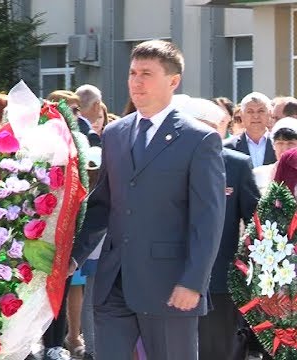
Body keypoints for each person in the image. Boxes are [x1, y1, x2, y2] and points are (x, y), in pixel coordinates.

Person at [70, 40, 226, 360]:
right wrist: (73, 257)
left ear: (172, 81)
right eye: (132, 73)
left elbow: (208, 219)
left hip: (170, 286)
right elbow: (103, 206)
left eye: (146, 74)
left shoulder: (200, 139)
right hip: (114, 281)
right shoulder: (115, 133)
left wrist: (194, 282)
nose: (136, 81)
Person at [177, 97, 260, 360]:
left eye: (213, 128)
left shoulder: (236, 165)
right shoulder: (164, 163)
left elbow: (257, 224)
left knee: (218, 352)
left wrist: (248, 269)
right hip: (168, 278)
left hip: (219, 284)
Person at [224, 92, 276, 168]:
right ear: (241, 115)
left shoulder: (280, 145)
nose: (255, 116)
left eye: (261, 111)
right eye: (250, 112)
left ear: (270, 113)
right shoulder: (227, 147)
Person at [252, 117, 297, 193]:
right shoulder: (258, 175)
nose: (285, 149)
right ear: (273, 145)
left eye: (291, 143)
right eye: (280, 143)